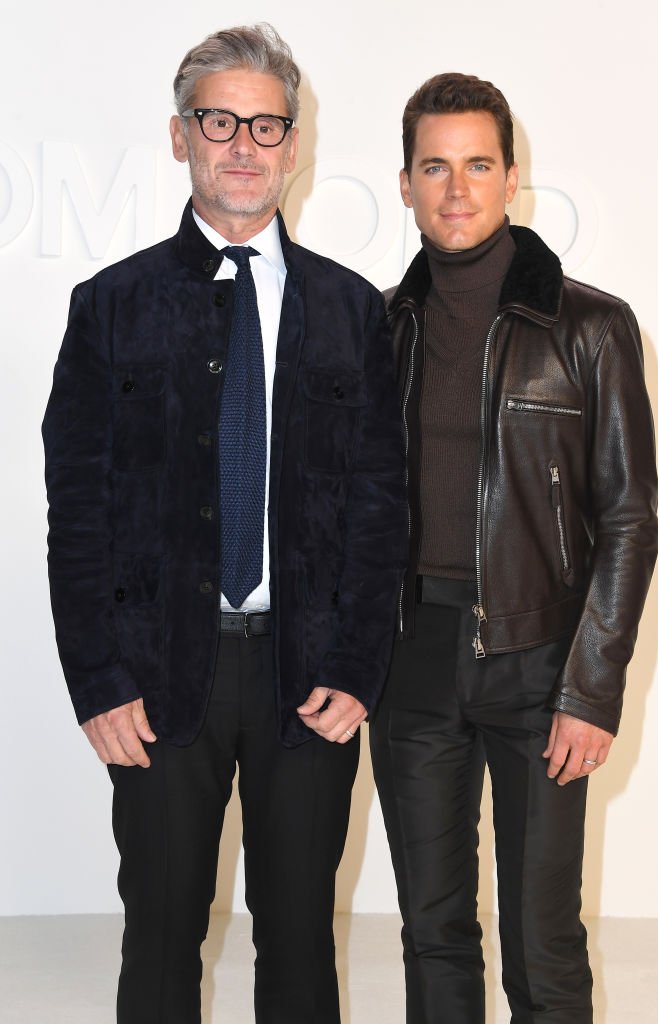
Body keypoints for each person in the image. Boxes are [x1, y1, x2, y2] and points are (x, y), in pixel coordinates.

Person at [42, 23, 407, 1024]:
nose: (242, 144)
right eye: (218, 120)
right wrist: (100, 678)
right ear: (179, 137)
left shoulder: (349, 313)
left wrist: (359, 664)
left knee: (298, 942)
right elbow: (76, 508)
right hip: (159, 679)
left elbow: (381, 502)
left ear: (295, 143)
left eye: (265, 124)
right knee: (160, 936)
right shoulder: (109, 308)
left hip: (309, 682)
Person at [369, 73, 658, 1024]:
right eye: (435, 167)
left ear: (513, 178)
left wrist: (591, 689)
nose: (458, 189)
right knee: (433, 935)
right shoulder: (380, 329)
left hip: (538, 668)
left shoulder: (592, 327)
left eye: (478, 165)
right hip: (412, 666)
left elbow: (628, 521)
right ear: (405, 182)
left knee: (544, 945)